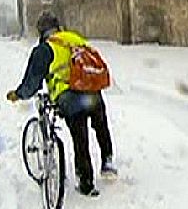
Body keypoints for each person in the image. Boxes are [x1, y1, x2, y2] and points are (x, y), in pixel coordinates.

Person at [6, 12, 117, 197]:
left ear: (41, 31)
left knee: (80, 137)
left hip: (69, 97)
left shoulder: (45, 49)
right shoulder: (75, 38)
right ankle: (108, 162)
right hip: (92, 91)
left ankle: (86, 183)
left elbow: (31, 84)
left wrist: (18, 94)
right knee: (100, 125)